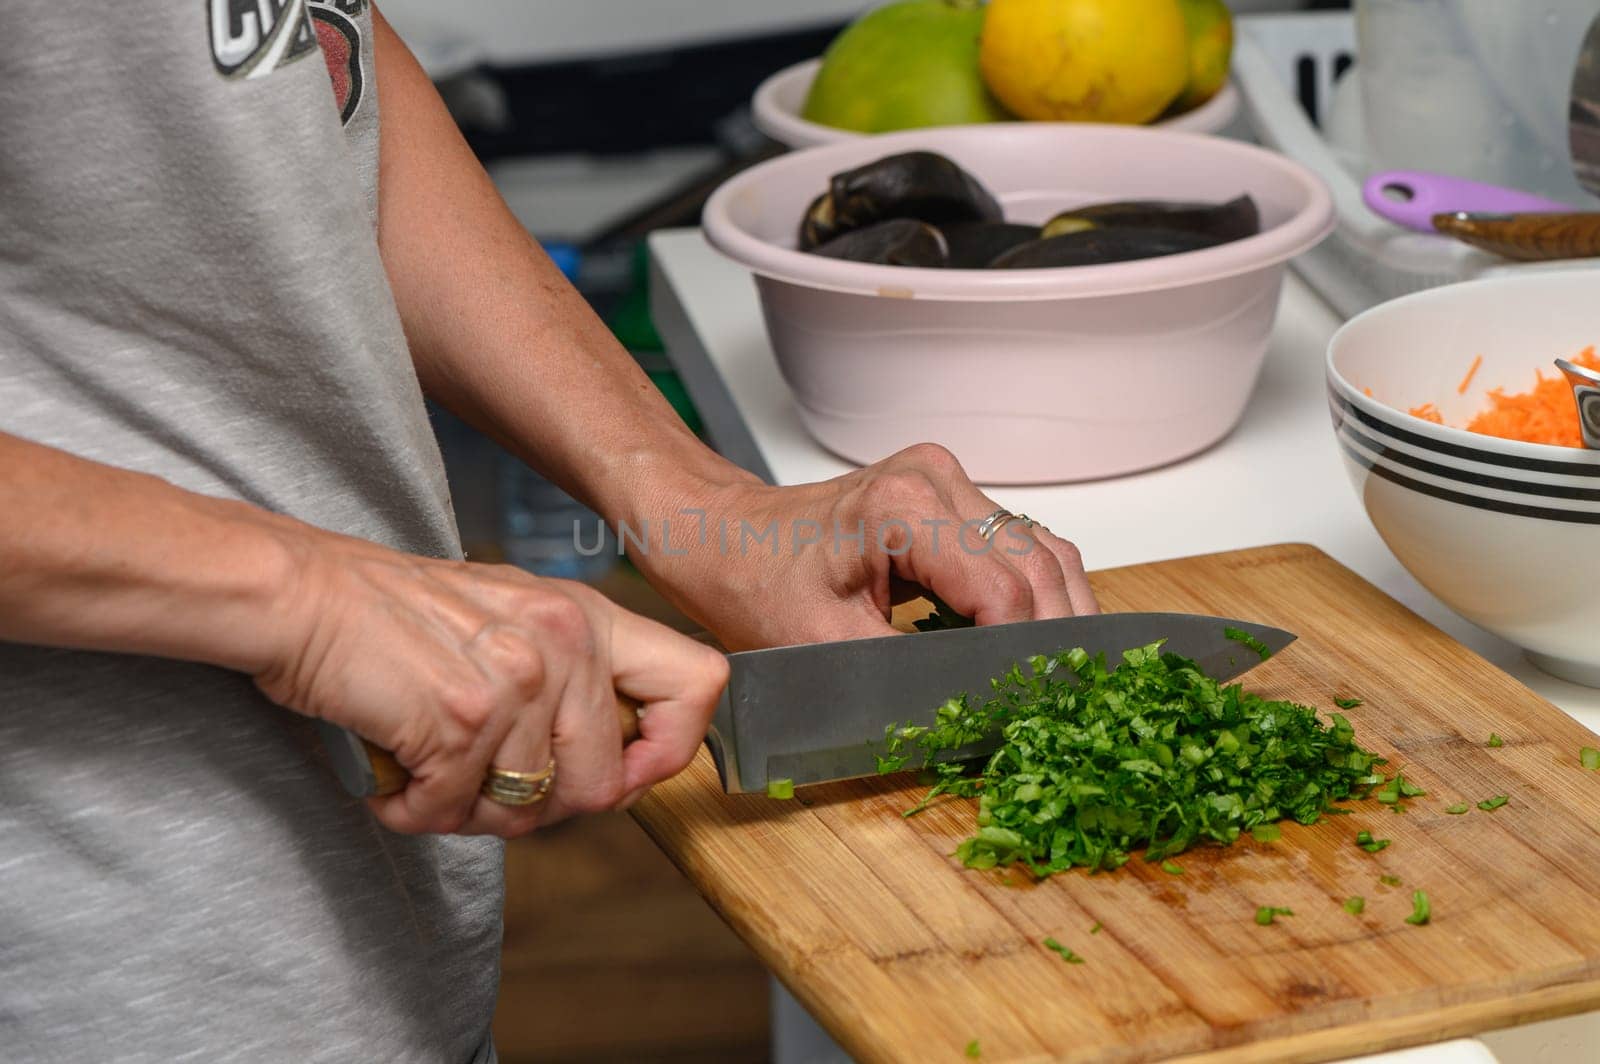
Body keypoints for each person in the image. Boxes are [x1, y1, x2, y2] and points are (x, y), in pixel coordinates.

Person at [0, 3, 1096, 1061]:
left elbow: (292, 76)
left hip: (358, 915)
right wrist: (308, 599)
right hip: (90, 943)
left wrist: (697, 504)